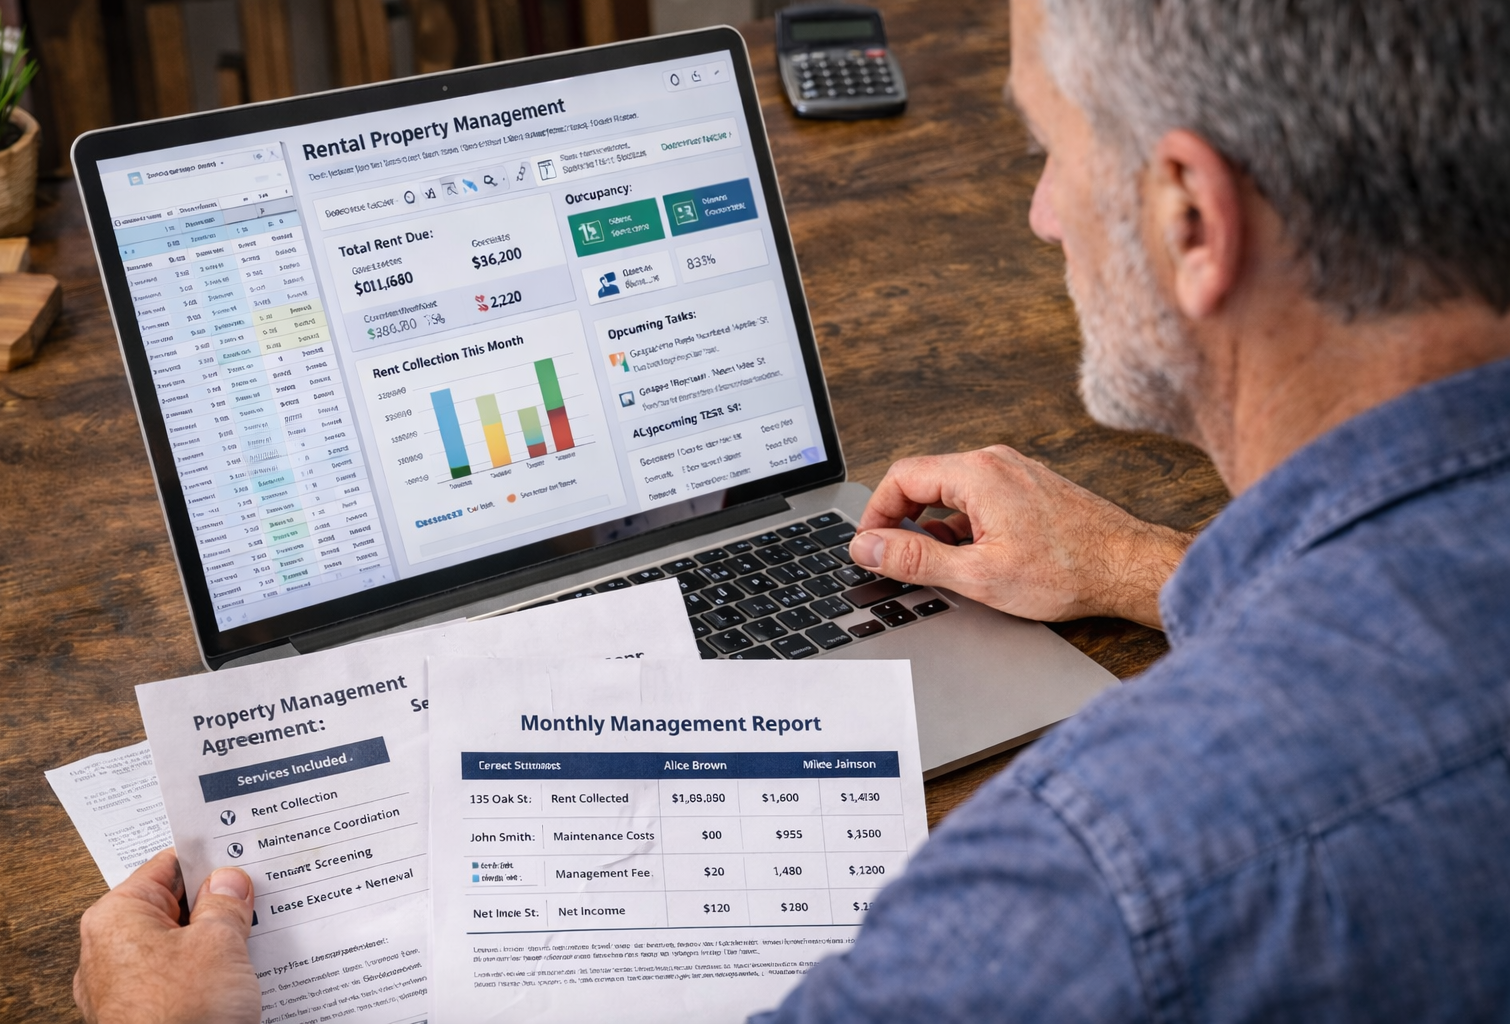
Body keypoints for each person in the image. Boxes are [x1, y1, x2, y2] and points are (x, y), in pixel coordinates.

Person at [74, 0, 1510, 1018]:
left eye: (1049, 149)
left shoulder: (1093, 879)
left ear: (1193, 219)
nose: (1044, 214)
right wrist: (1141, 565)